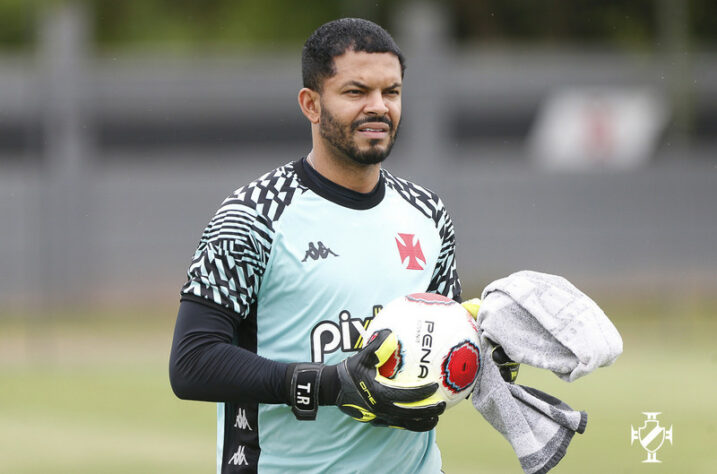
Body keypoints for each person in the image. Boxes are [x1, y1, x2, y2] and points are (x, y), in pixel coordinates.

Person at [169, 18, 462, 473]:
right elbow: (192, 362)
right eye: (355, 92)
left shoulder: (429, 213)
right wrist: (328, 384)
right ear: (311, 104)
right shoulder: (253, 216)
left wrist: (497, 350)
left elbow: (441, 348)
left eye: (391, 92)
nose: (378, 107)